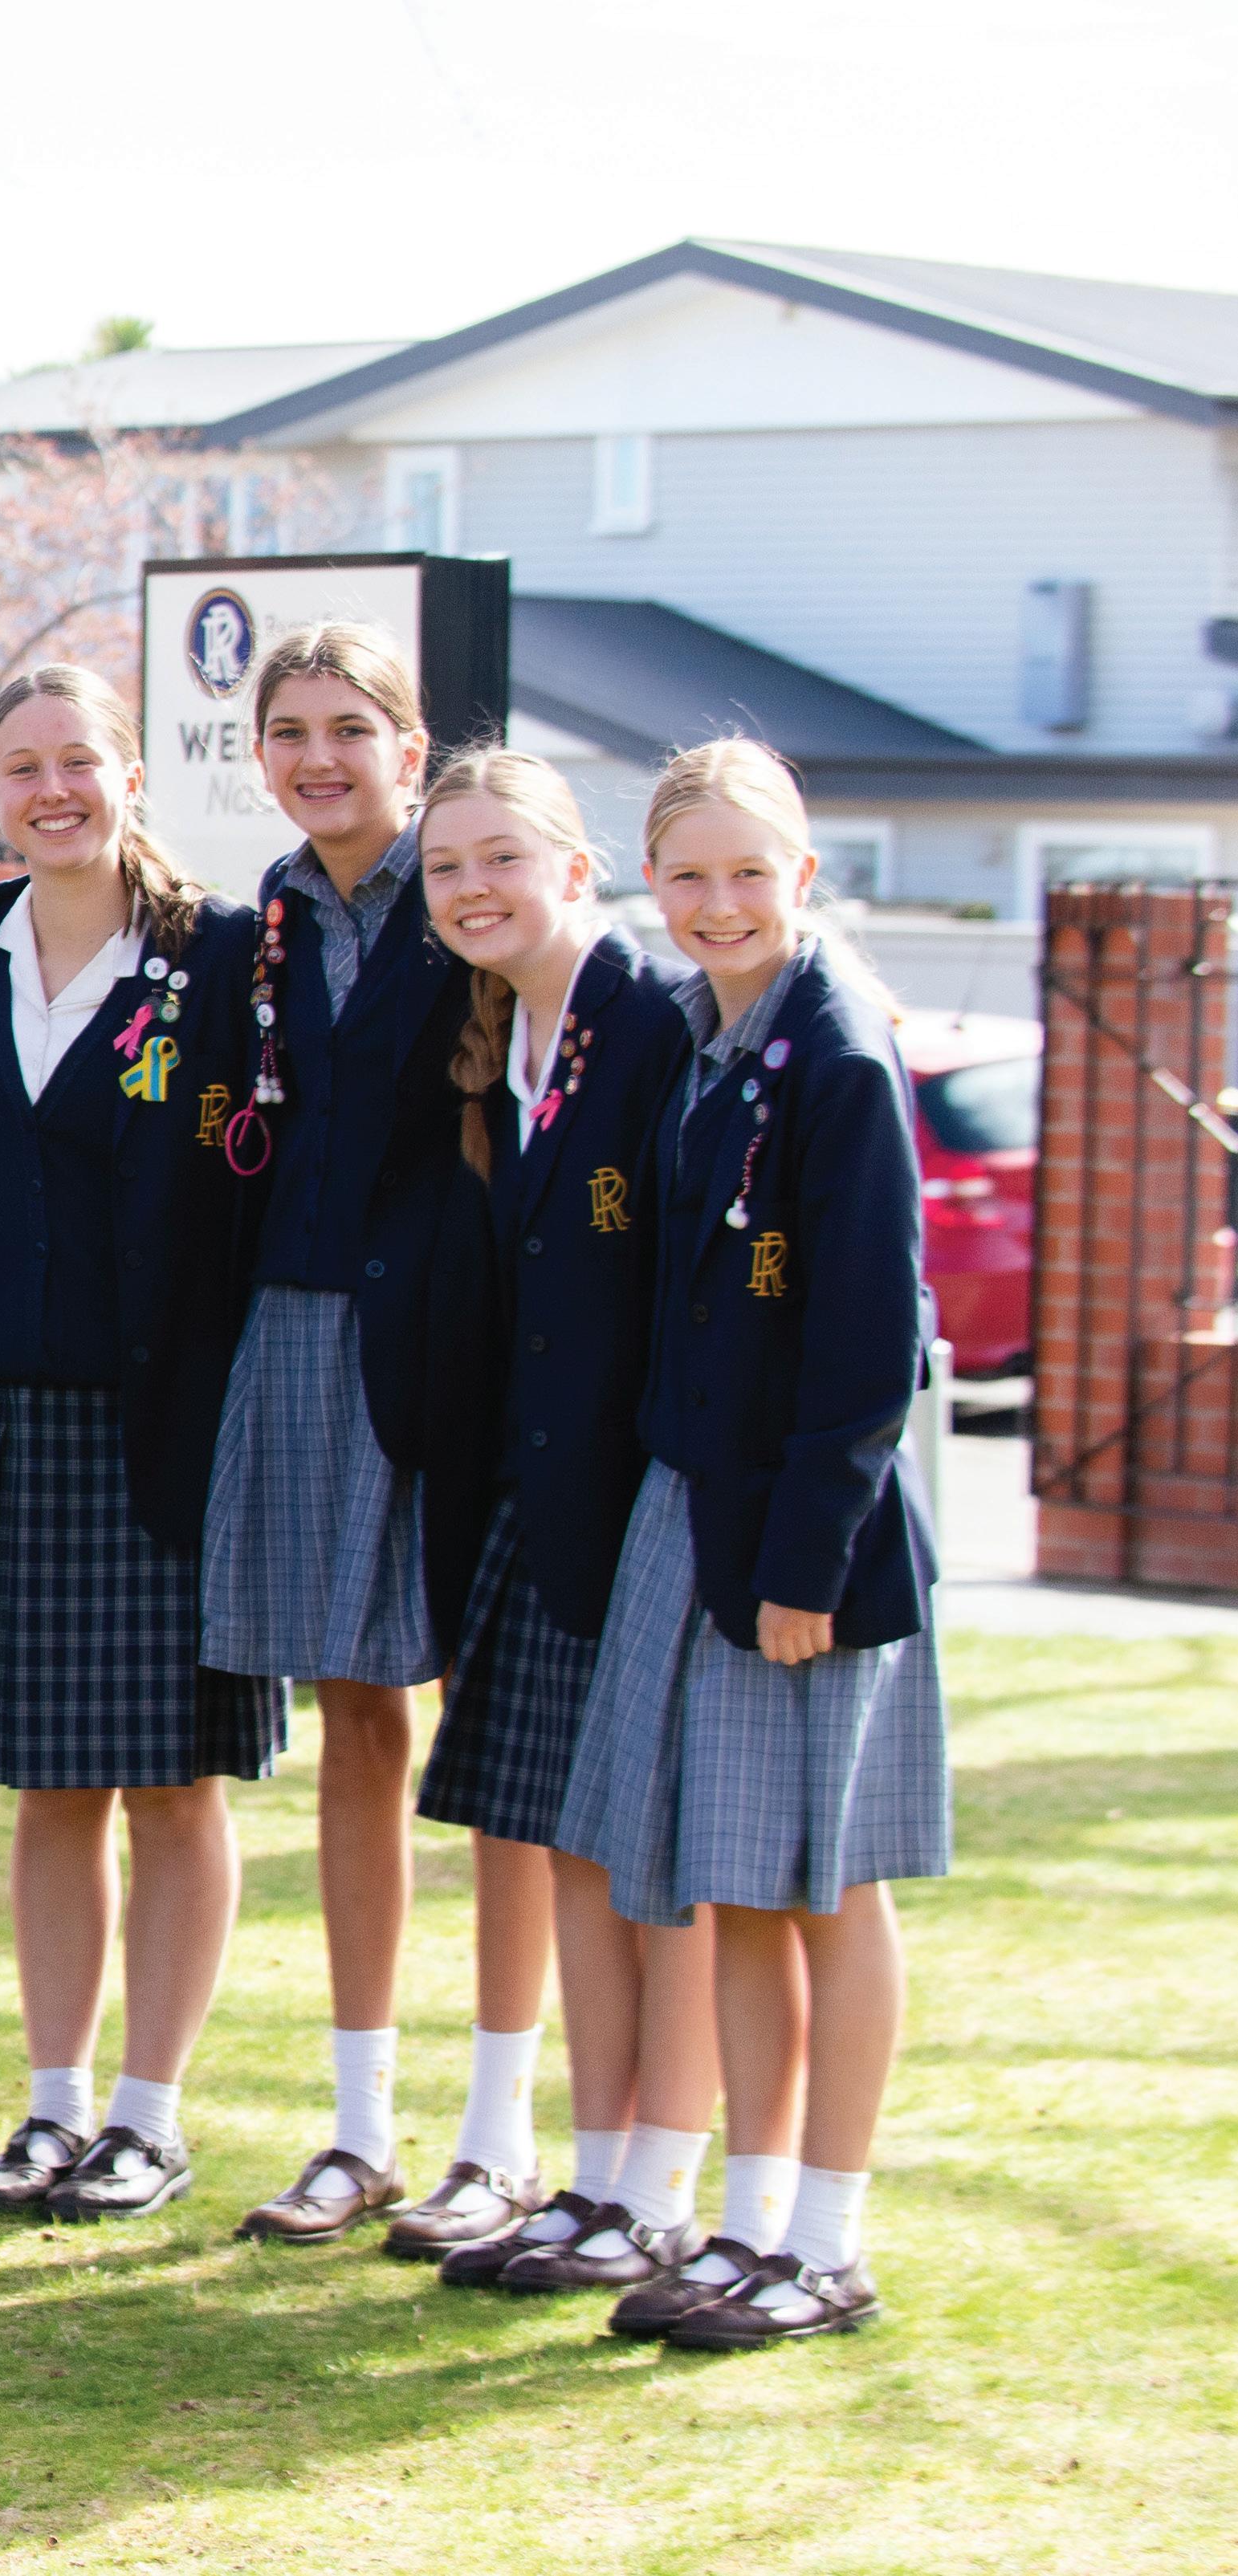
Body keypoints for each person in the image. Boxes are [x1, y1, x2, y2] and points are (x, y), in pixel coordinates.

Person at [549, 739, 947, 2348]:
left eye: (747, 872)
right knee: (735, 1880)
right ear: (651, 879)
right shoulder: (711, 1035)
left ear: (802, 872)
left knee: (823, 1888)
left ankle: (826, 2241)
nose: (717, 902)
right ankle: (745, 2222)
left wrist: (800, 1565)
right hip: (702, 1501)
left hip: (803, 1540)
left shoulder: (834, 1050)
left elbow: (868, 1343)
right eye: (688, 874)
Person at [0, 664, 275, 2224]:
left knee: (174, 1783)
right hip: (1, 1409)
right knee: (49, 1786)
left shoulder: (221, 955)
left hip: (167, 1418)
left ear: (129, 771)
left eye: (77, 760)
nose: (50, 790)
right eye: (20, 766)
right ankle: (53, 2104)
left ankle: (147, 2114)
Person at [398, 746, 722, 2285]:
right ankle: (594, 2176)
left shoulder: (649, 1020)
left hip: (643, 1498)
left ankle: (661, 2184)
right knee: (564, 1843)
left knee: (654, 1857)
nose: (472, 887)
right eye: (445, 865)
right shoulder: (497, 1034)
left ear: (575, 867)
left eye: (500, 857)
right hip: (532, 1498)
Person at [189, 623, 474, 2248]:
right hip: (298, 1334)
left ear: (408, 748)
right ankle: (361, 2123)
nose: (317, 756)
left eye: (349, 727)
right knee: (355, 1718)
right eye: (288, 730)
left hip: (456, 1343)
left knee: (490, 1733)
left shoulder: (473, 895)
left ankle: (500, 2129)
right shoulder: (257, 931)